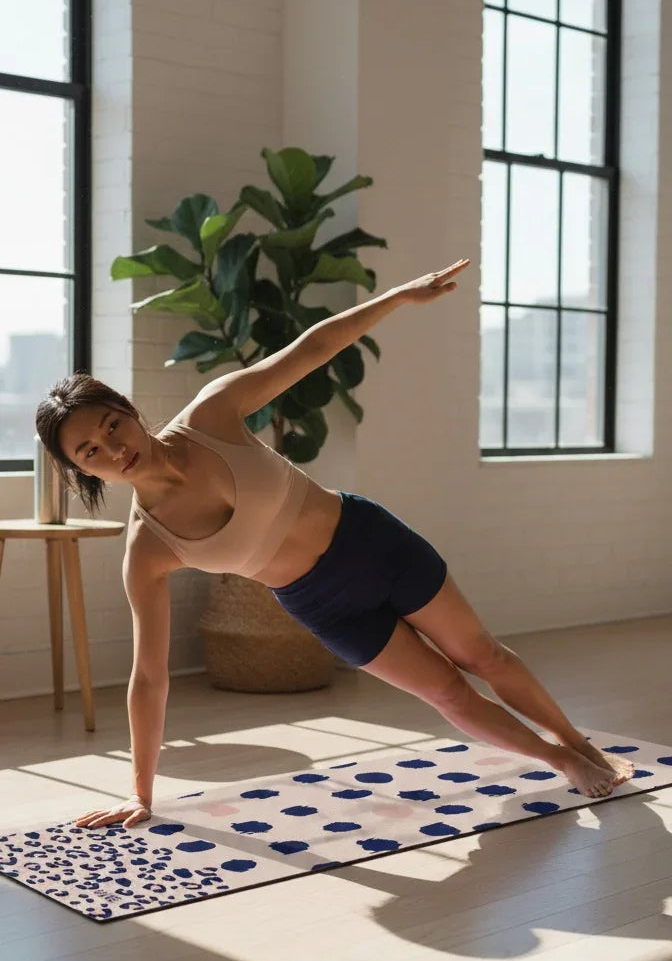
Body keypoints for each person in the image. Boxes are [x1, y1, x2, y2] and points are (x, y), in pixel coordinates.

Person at [35, 259, 634, 831]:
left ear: (128, 411)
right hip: (324, 605)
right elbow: (149, 677)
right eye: (91, 452)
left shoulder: (211, 415)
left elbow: (312, 350)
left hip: (371, 542)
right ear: (86, 473)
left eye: (112, 425)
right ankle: (564, 763)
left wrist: (397, 299)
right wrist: (140, 792)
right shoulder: (148, 548)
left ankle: (579, 742)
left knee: (482, 655)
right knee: (447, 693)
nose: (114, 449)